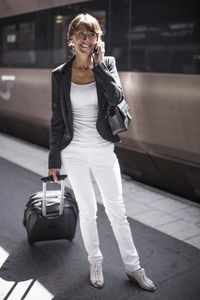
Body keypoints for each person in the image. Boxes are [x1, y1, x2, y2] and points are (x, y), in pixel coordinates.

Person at [48, 13, 156, 291]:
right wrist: (54, 161)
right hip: (73, 152)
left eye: (92, 34)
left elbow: (118, 98)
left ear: (98, 40)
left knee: (117, 210)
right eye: (82, 34)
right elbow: (57, 120)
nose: (87, 39)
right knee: (87, 211)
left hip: (102, 149)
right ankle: (95, 261)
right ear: (71, 38)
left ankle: (133, 267)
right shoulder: (59, 75)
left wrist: (98, 67)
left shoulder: (107, 64)